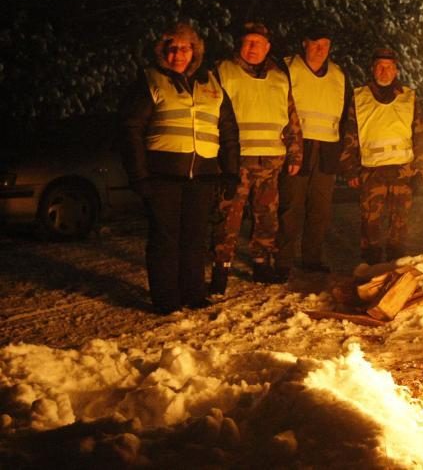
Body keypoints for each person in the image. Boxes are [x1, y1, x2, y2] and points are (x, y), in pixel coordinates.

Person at [120, 21, 240, 314]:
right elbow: (130, 130)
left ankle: (193, 293)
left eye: (184, 48)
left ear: (194, 50)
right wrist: (139, 176)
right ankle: (166, 300)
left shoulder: (211, 83)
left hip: (203, 176)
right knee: (165, 240)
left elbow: (228, 132)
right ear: (163, 52)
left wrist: (231, 172)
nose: (178, 54)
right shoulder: (150, 80)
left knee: (195, 238)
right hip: (162, 177)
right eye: (171, 48)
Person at [210, 22, 303, 292]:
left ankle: (262, 264)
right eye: (248, 42)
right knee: (227, 217)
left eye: (258, 43)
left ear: (268, 47)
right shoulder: (223, 71)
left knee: (267, 216)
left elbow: (292, 119)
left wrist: (296, 153)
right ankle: (221, 269)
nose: (253, 48)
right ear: (240, 44)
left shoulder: (279, 76)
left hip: (271, 160)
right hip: (235, 161)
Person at [341, 48, 423, 265]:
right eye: (380, 66)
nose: (385, 71)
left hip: (403, 172)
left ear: (396, 70)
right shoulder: (359, 97)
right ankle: (370, 273)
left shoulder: (409, 97)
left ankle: (395, 271)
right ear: (373, 69)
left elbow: (421, 136)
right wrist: (350, 168)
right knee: (370, 226)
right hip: (372, 173)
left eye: (389, 66)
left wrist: (422, 169)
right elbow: (350, 134)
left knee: (399, 226)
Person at [276, 26, 353, 275]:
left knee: (319, 211)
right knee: (291, 208)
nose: (321, 49)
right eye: (316, 43)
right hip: (297, 150)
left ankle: (312, 258)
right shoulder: (288, 69)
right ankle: (282, 260)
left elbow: (345, 117)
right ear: (304, 44)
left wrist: (343, 152)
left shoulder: (340, 76)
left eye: (326, 44)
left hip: (326, 152)